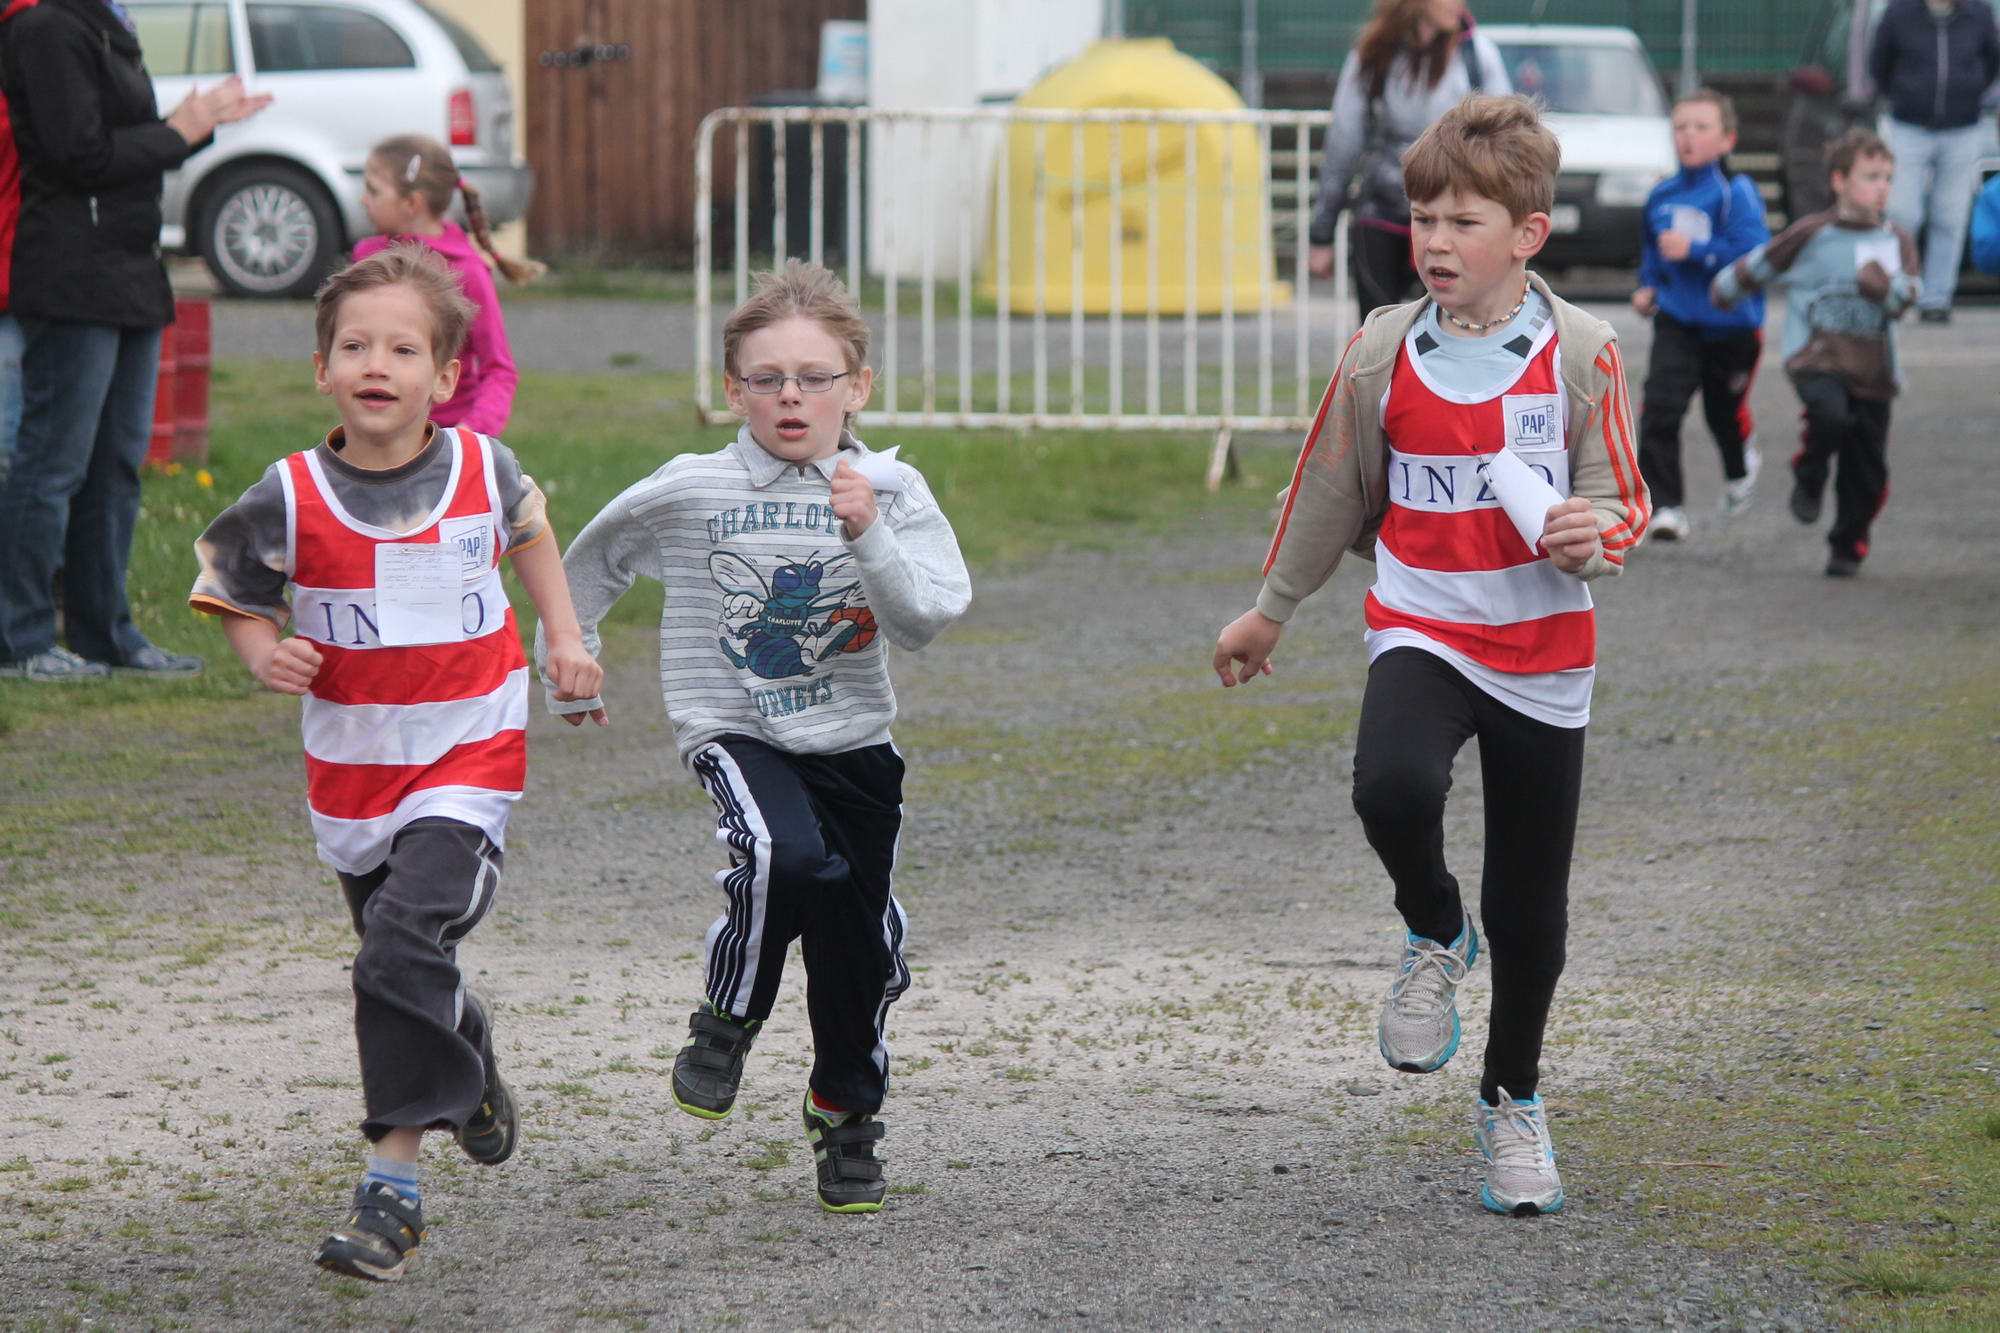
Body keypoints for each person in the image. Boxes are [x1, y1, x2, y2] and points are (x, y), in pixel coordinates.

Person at [1213, 94, 1649, 1217]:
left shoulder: (1582, 352)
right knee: (1390, 787)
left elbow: (1620, 498)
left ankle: (1511, 1101)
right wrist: (1270, 609)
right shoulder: (1379, 351)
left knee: (1531, 906)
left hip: (1543, 651)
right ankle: (1432, 923)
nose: (1435, 242)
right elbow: (1325, 488)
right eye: (1422, 220)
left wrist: (1591, 534)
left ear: (1528, 233)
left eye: (1462, 222)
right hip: (1422, 624)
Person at [186, 245, 603, 1281]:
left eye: (403, 349)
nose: (377, 364)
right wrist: (262, 653)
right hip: (353, 772)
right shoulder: (289, 493)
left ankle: (393, 1191)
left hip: (468, 753)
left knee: (393, 951)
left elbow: (530, 533)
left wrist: (563, 638)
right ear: (321, 368)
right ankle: (466, 1051)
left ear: (445, 375)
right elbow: (233, 586)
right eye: (355, 347)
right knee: (404, 960)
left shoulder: (481, 468)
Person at [543, 259, 970, 1215]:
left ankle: (844, 1113)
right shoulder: (692, 488)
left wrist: (869, 533)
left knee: (860, 952)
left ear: (858, 387)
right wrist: (568, 654)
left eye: (815, 377)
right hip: (733, 726)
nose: (790, 396)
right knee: (785, 854)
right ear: (733, 389)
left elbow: (925, 619)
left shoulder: (891, 489)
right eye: (767, 378)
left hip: (855, 744)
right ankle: (728, 1015)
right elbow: (591, 555)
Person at [0, 0, 268, 681]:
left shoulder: (106, 21)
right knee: (52, 463)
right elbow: (77, 154)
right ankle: (21, 638)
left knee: (116, 466)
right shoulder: (44, 26)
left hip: (129, 270)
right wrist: (180, 130)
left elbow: (125, 142)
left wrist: (195, 124)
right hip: (71, 274)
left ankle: (105, 633)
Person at [1712, 129, 1919, 578]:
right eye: (1871, 177)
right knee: (1829, 414)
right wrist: (1725, 290)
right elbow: (1763, 262)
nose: (1882, 187)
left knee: (1867, 470)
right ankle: (1810, 471)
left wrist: (1885, 289)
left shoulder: (1895, 239)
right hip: (1816, 357)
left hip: (1874, 371)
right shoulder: (1812, 233)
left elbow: (1907, 298)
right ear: (1839, 181)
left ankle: (1848, 543)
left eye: (1888, 178)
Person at [1308, 0, 1509, 317]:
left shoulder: (1477, 54)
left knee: (1455, 326)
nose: (1459, 4)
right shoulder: (1373, 56)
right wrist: (1321, 233)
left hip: (1456, 215)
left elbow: (1504, 139)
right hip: (1382, 211)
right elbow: (1343, 144)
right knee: (1379, 329)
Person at [1631, 89, 1771, 543]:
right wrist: (1648, 286)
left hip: (1731, 327)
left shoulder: (1736, 193)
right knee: (1660, 408)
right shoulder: (1662, 194)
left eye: (1701, 127)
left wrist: (1697, 251)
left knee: (1721, 413)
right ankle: (1665, 507)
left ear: (1727, 139)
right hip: (1677, 321)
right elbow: (1651, 250)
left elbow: (1754, 256)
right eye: (1680, 127)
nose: (1688, 136)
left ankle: (1740, 463)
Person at [352, 133, 537, 439]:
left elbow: (499, 370)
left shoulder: (468, 273)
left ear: (412, 203)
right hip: (375, 438)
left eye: (373, 190)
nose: (363, 200)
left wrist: (468, 436)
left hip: (446, 442)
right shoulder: (366, 258)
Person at [1867, 0, 2000, 322]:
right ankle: (1897, 292)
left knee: (1950, 216)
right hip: (1908, 126)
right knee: (1902, 212)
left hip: (1963, 127)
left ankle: (1937, 299)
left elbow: (1991, 62)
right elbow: (1879, 63)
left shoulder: (1979, 13)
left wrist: (1969, 93)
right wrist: (1904, 95)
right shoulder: (1898, 13)